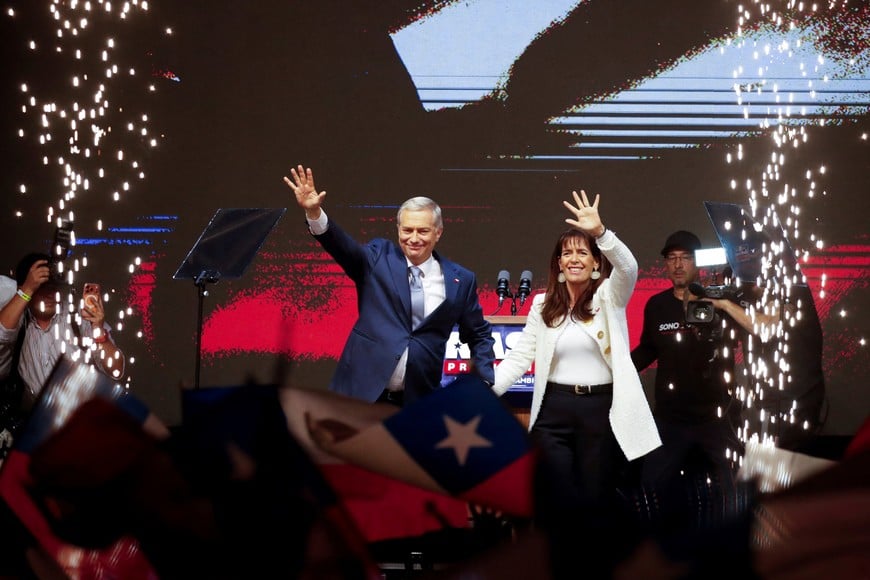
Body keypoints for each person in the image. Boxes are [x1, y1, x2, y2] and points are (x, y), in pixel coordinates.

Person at [492, 190, 660, 518]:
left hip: (599, 412)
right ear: (558, 263)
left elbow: (629, 268)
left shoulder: (610, 296)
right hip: (553, 411)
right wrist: (482, 392)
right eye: (566, 253)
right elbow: (518, 357)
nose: (574, 259)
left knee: (594, 503)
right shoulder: (542, 304)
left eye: (582, 252)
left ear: (597, 262)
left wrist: (601, 233)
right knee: (553, 502)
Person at [283, 165, 495, 406]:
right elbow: (341, 247)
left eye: (423, 231)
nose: (414, 238)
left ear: (438, 233)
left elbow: (479, 334)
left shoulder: (461, 280)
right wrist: (315, 214)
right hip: (360, 395)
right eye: (407, 230)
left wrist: (484, 381)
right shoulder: (377, 258)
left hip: (417, 401)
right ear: (398, 229)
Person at [630, 230, 745, 500]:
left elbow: (743, 335)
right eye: (672, 258)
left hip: (717, 416)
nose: (678, 265)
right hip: (671, 418)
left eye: (685, 258)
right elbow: (648, 350)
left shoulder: (719, 302)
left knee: (737, 490)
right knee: (651, 490)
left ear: (698, 263)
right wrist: (615, 371)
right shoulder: (657, 305)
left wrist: (724, 305)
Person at [0, 253, 126, 414]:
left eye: (53, 288)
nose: (49, 294)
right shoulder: (20, 319)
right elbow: (2, 333)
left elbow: (116, 370)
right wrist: (27, 289)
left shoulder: (78, 318)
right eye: (41, 288)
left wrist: (99, 330)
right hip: (38, 421)